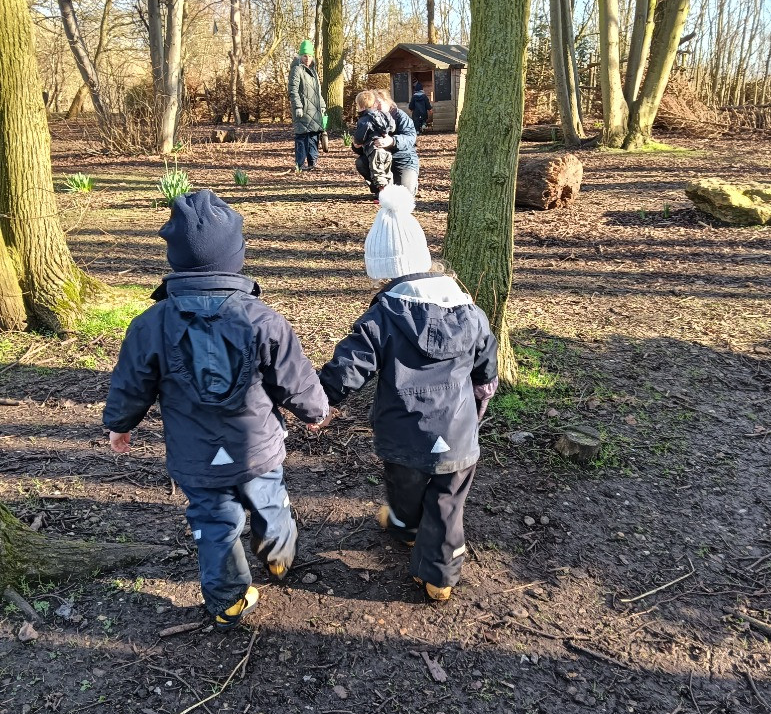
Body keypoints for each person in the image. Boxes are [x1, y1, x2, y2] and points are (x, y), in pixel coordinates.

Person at [103, 190, 329, 629]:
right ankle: (278, 557)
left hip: (195, 457)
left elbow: (131, 382)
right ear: (235, 258)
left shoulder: (151, 324)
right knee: (270, 500)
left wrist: (119, 425)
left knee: (213, 522)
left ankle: (227, 600)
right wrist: (314, 411)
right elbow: (294, 377)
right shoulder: (263, 319)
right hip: (257, 448)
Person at [318, 184, 498, 601]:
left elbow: (350, 366)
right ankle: (439, 576)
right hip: (456, 433)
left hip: (402, 433)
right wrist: (481, 398)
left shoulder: (382, 315)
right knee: (448, 501)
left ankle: (404, 526)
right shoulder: (470, 310)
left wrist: (321, 401)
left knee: (405, 483)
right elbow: (486, 365)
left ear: (383, 270)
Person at [353, 90, 419, 196]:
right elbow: (362, 144)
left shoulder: (400, 116)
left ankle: (409, 184)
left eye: (379, 102)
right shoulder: (368, 118)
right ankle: (379, 189)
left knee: (405, 195)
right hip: (380, 159)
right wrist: (356, 145)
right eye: (375, 103)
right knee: (361, 162)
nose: (377, 105)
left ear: (387, 101)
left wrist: (392, 141)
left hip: (403, 160)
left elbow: (410, 138)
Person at [288, 39, 325, 173]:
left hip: (314, 110)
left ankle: (312, 163)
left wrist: (322, 105)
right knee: (302, 138)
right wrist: (297, 106)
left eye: (309, 55)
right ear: (300, 56)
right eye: (305, 55)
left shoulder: (313, 71)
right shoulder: (296, 70)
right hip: (302, 111)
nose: (307, 58)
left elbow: (318, 92)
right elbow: (293, 90)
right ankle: (300, 164)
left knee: (314, 137)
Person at [352, 89, 396, 193]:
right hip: (386, 150)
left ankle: (383, 194)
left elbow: (360, 137)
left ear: (361, 106)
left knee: (377, 172)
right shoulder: (384, 115)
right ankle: (390, 192)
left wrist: (357, 142)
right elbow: (392, 127)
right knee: (387, 172)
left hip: (374, 150)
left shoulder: (364, 120)